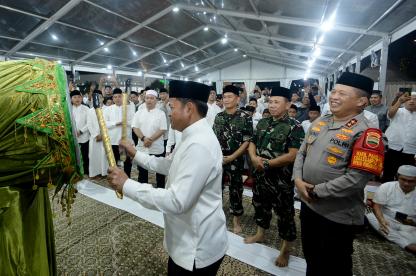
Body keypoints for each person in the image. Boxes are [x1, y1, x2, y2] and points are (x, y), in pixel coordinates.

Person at [107, 80, 228, 275]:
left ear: (189, 108)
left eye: (172, 107)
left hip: (196, 247)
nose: (169, 112)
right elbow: (170, 165)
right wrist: (135, 154)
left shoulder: (199, 144)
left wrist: (126, 184)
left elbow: (176, 200)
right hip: (187, 238)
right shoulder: (192, 135)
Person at [293, 72, 385, 276]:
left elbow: (356, 180)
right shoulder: (320, 122)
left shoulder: (367, 134)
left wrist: (316, 191)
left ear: (361, 101)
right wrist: (298, 181)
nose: (334, 96)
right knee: (312, 257)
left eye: (342, 93)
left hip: (337, 215)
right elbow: (302, 153)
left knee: (334, 264)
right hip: (309, 205)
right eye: (334, 91)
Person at [244, 86, 305, 267]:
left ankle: (286, 249)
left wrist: (268, 164)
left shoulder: (295, 127)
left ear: (288, 105)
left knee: (284, 213)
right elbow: (252, 142)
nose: (272, 105)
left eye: (277, 102)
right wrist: (254, 158)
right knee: (260, 205)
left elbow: (293, 154)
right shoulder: (263, 122)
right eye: (270, 102)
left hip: (281, 180)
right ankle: (260, 233)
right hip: (260, 176)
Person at [213, 85, 253, 234]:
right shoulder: (219, 117)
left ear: (237, 99)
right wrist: (217, 155)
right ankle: (216, 215)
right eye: (224, 97)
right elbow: (213, 138)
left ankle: (236, 220)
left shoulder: (245, 117)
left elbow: (247, 141)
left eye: (230, 97)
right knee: (216, 188)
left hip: (235, 158)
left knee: (236, 189)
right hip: (218, 157)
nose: (227, 100)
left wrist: (232, 157)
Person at [366, 165, 416, 254]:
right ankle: (406, 244)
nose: (406, 183)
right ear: (397, 177)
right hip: (387, 219)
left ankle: (397, 237)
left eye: (411, 181)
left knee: (409, 235)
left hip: (409, 225)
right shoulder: (386, 186)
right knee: (370, 216)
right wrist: (381, 220)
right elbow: (377, 206)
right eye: (403, 179)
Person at [132, 90, 167, 188]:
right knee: (142, 171)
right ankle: (142, 189)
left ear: (156, 100)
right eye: (147, 98)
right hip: (142, 146)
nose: (149, 100)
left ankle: (160, 189)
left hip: (157, 147)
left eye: (152, 98)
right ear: (144, 99)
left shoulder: (161, 113)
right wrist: (144, 138)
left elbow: (162, 129)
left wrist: (150, 139)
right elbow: (135, 127)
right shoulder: (139, 112)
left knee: (159, 171)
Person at [383, 91, 416, 182]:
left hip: (410, 152)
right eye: (409, 99)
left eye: (415, 99)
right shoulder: (398, 110)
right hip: (392, 148)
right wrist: (399, 101)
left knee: (406, 177)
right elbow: (390, 114)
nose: (412, 101)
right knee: (388, 174)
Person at [104, 88, 134, 177]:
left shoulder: (129, 108)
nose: (117, 99)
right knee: (114, 161)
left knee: (127, 161)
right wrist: (116, 123)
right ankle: (115, 177)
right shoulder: (108, 109)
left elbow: (133, 122)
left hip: (126, 139)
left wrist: (125, 123)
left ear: (123, 97)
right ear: (112, 99)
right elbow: (104, 123)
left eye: (119, 97)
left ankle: (127, 177)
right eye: (115, 97)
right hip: (113, 140)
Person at [87, 90, 109, 177]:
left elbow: (108, 123)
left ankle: (105, 172)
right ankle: (95, 172)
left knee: (104, 155)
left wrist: (102, 135)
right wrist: (95, 135)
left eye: (99, 97)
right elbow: (89, 124)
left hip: (105, 136)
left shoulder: (108, 109)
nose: (97, 99)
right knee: (93, 156)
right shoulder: (90, 110)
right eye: (94, 97)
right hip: (94, 137)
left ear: (102, 98)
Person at [71, 90, 90, 175]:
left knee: (85, 155)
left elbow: (89, 123)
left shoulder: (86, 109)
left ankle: (86, 171)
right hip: (72, 136)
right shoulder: (69, 109)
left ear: (81, 98)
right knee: (74, 155)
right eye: (74, 97)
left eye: (79, 97)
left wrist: (81, 131)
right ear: (71, 99)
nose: (77, 99)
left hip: (84, 136)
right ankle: (76, 171)